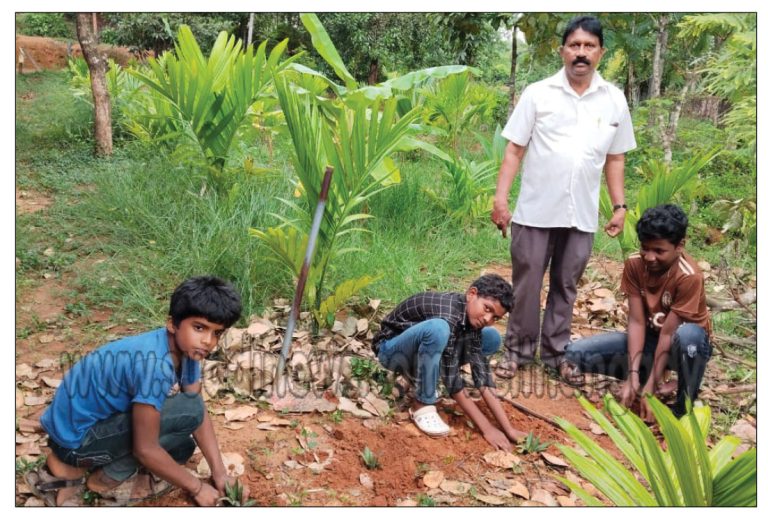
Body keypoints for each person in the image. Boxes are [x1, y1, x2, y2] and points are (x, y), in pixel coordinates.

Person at [491, 15, 637, 382]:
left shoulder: (614, 100)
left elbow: (615, 158)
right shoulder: (538, 93)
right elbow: (514, 150)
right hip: (536, 211)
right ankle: (517, 351)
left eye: (589, 46)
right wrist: (500, 200)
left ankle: (557, 354)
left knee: (566, 285)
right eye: (575, 46)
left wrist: (619, 206)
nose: (581, 53)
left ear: (601, 53)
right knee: (526, 283)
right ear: (562, 52)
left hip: (582, 215)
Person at [31, 275, 245, 506]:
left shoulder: (187, 349)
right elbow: (146, 449)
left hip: (83, 427)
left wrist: (220, 473)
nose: (208, 341)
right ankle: (104, 476)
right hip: (74, 444)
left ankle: (100, 466)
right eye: (199, 328)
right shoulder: (154, 365)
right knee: (185, 414)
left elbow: (198, 412)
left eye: (217, 333)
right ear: (172, 324)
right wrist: (197, 487)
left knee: (183, 445)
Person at [565, 204, 712, 420]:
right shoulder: (635, 265)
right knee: (575, 354)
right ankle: (643, 375)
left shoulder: (688, 276)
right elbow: (636, 322)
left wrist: (651, 389)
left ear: (680, 246)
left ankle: (682, 406)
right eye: (645, 248)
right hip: (649, 343)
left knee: (689, 336)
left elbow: (669, 334)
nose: (650, 257)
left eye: (659, 251)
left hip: (681, 349)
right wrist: (632, 376)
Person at [372, 273, 527, 450]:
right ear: (471, 294)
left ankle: (417, 375)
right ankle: (422, 404)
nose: (487, 319)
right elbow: (452, 381)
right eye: (487, 309)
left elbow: (481, 375)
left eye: (495, 318)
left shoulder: (471, 319)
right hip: (390, 351)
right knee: (438, 330)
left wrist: (508, 429)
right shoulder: (450, 315)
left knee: (491, 337)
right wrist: (487, 428)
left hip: (420, 352)